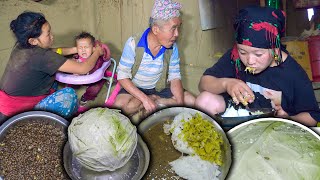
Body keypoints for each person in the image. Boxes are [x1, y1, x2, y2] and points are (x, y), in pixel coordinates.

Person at [195, 6, 320, 126]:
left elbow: (312, 117)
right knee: (204, 101)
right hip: (238, 120)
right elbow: (203, 83)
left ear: (275, 50)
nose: (250, 60)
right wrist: (226, 84)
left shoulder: (293, 74)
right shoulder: (235, 57)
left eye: (258, 54)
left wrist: (288, 119)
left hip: (274, 128)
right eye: (243, 52)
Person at [0, 11, 104, 122]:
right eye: (48, 34)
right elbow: (83, 68)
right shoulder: (42, 56)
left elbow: (56, 52)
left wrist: (78, 49)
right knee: (69, 96)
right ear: (33, 41)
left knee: (53, 75)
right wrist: (97, 52)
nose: (52, 36)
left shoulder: (22, 46)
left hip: (5, 104)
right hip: (18, 114)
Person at [114, 0, 195, 117]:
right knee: (120, 106)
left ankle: (156, 101)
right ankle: (152, 101)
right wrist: (145, 99)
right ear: (156, 29)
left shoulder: (172, 48)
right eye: (173, 28)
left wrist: (180, 105)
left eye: (178, 28)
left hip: (159, 88)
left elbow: (175, 77)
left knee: (191, 101)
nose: (177, 34)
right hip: (136, 88)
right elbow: (122, 76)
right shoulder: (133, 43)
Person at [71, 32, 109, 107]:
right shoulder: (76, 57)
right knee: (70, 83)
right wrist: (74, 71)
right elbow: (72, 65)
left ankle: (86, 97)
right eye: (80, 48)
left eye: (86, 47)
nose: (83, 50)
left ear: (93, 48)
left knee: (96, 87)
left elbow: (106, 54)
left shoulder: (97, 58)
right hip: (81, 78)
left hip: (93, 78)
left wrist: (100, 48)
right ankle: (69, 94)